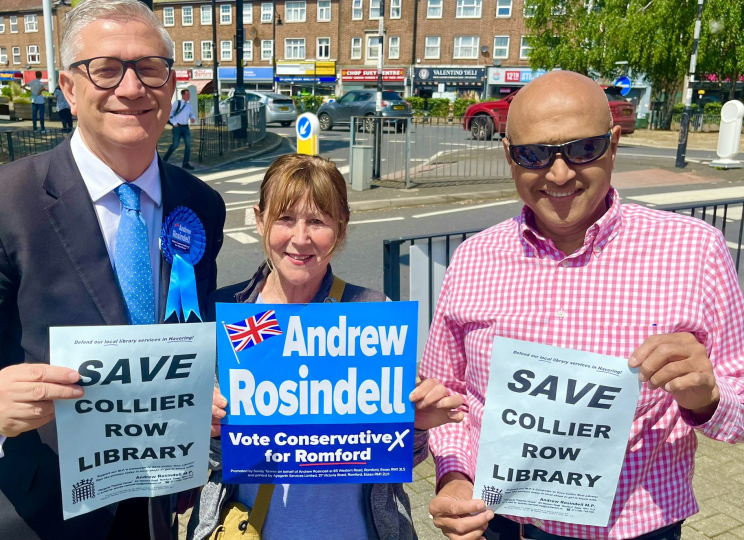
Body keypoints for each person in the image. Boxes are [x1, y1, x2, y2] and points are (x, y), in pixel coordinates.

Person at [420, 71, 744, 540]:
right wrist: (454, 476)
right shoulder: (473, 258)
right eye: (534, 154)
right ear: (510, 155)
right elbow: (448, 398)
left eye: (583, 149)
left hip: (638, 532)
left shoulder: (694, 251)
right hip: (502, 528)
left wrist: (707, 397)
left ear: (613, 142)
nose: (560, 173)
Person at [0, 0, 226, 539]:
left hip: (160, 503)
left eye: (150, 68)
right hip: (42, 510)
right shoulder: (9, 200)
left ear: (171, 87)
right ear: (69, 88)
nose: (131, 88)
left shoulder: (201, 204)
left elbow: (193, 330)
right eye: (105, 69)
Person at [187, 153, 464, 540]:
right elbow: (205, 459)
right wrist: (210, 430)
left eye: (317, 221)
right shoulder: (224, 314)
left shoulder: (371, 311)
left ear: (341, 227)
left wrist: (416, 425)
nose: (300, 238)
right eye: (285, 219)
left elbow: (398, 457)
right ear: (259, 219)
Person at [163, 88, 196, 170]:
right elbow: (170, 113)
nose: (189, 96)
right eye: (187, 94)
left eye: (189, 94)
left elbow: (191, 114)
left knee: (188, 145)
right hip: (178, 127)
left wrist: (192, 118)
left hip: (186, 127)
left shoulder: (189, 105)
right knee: (175, 145)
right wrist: (174, 123)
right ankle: (164, 160)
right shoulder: (177, 103)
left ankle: (185, 163)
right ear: (183, 95)